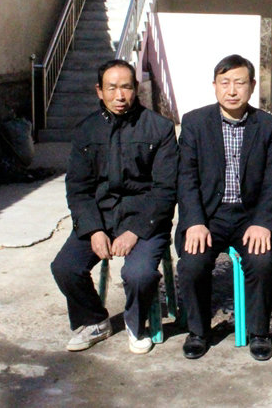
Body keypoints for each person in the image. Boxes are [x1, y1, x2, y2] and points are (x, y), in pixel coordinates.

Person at [51, 59, 178, 355]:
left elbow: (165, 189)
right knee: (65, 267)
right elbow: (78, 188)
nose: (119, 96)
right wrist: (93, 229)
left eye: (126, 87)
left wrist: (135, 231)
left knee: (139, 274)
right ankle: (94, 320)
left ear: (136, 89)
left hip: (145, 217)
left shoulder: (159, 129)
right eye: (112, 88)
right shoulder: (86, 130)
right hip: (101, 216)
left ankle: (136, 323)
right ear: (99, 91)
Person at [175, 54, 272, 361]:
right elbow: (186, 178)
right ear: (214, 85)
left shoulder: (269, 126)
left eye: (240, 82)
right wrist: (194, 221)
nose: (232, 90)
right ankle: (198, 331)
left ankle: (259, 332)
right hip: (208, 215)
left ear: (252, 85)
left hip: (250, 217)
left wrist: (264, 221)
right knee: (192, 264)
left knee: (263, 262)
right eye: (225, 83)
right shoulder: (195, 123)